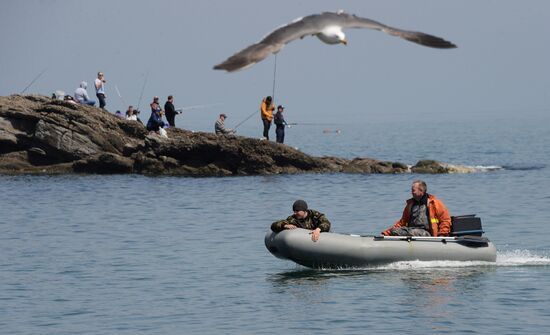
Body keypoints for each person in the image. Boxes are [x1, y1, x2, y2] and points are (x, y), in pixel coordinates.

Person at [381, 180, 451, 237]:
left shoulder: (435, 203)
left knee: (412, 232)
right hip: (410, 231)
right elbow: (402, 222)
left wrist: (442, 235)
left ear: (421, 191)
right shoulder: (410, 204)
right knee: (394, 230)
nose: (411, 192)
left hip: (427, 233)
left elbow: (445, 220)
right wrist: (386, 233)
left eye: (413, 190)